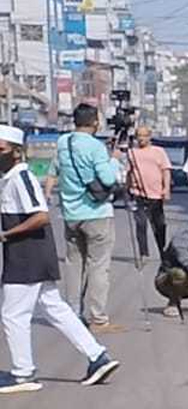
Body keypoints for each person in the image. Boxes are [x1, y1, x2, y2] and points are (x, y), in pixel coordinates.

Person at [0, 124, 119, 392]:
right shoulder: (11, 177)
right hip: (31, 252)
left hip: (27, 254)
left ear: (16, 152)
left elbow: (40, 216)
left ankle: (23, 373)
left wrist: (5, 234)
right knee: (55, 308)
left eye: (1, 149)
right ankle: (97, 356)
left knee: (13, 314)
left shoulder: (21, 177)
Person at [53, 102, 123, 329]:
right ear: (95, 122)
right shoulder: (95, 146)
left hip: (71, 213)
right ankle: (98, 317)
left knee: (74, 265)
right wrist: (114, 159)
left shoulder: (63, 142)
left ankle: (72, 313)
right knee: (99, 266)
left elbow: (58, 170)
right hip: (96, 213)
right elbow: (109, 179)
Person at [123, 125, 172, 261]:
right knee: (140, 224)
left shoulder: (159, 151)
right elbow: (129, 172)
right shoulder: (132, 153)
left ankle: (162, 250)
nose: (141, 138)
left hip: (155, 195)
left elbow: (166, 171)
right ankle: (143, 253)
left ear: (149, 137)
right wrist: (127, 189)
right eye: (139, 135)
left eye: (144, 136)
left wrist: (166, 189)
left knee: (159, 225)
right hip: (137, 193)